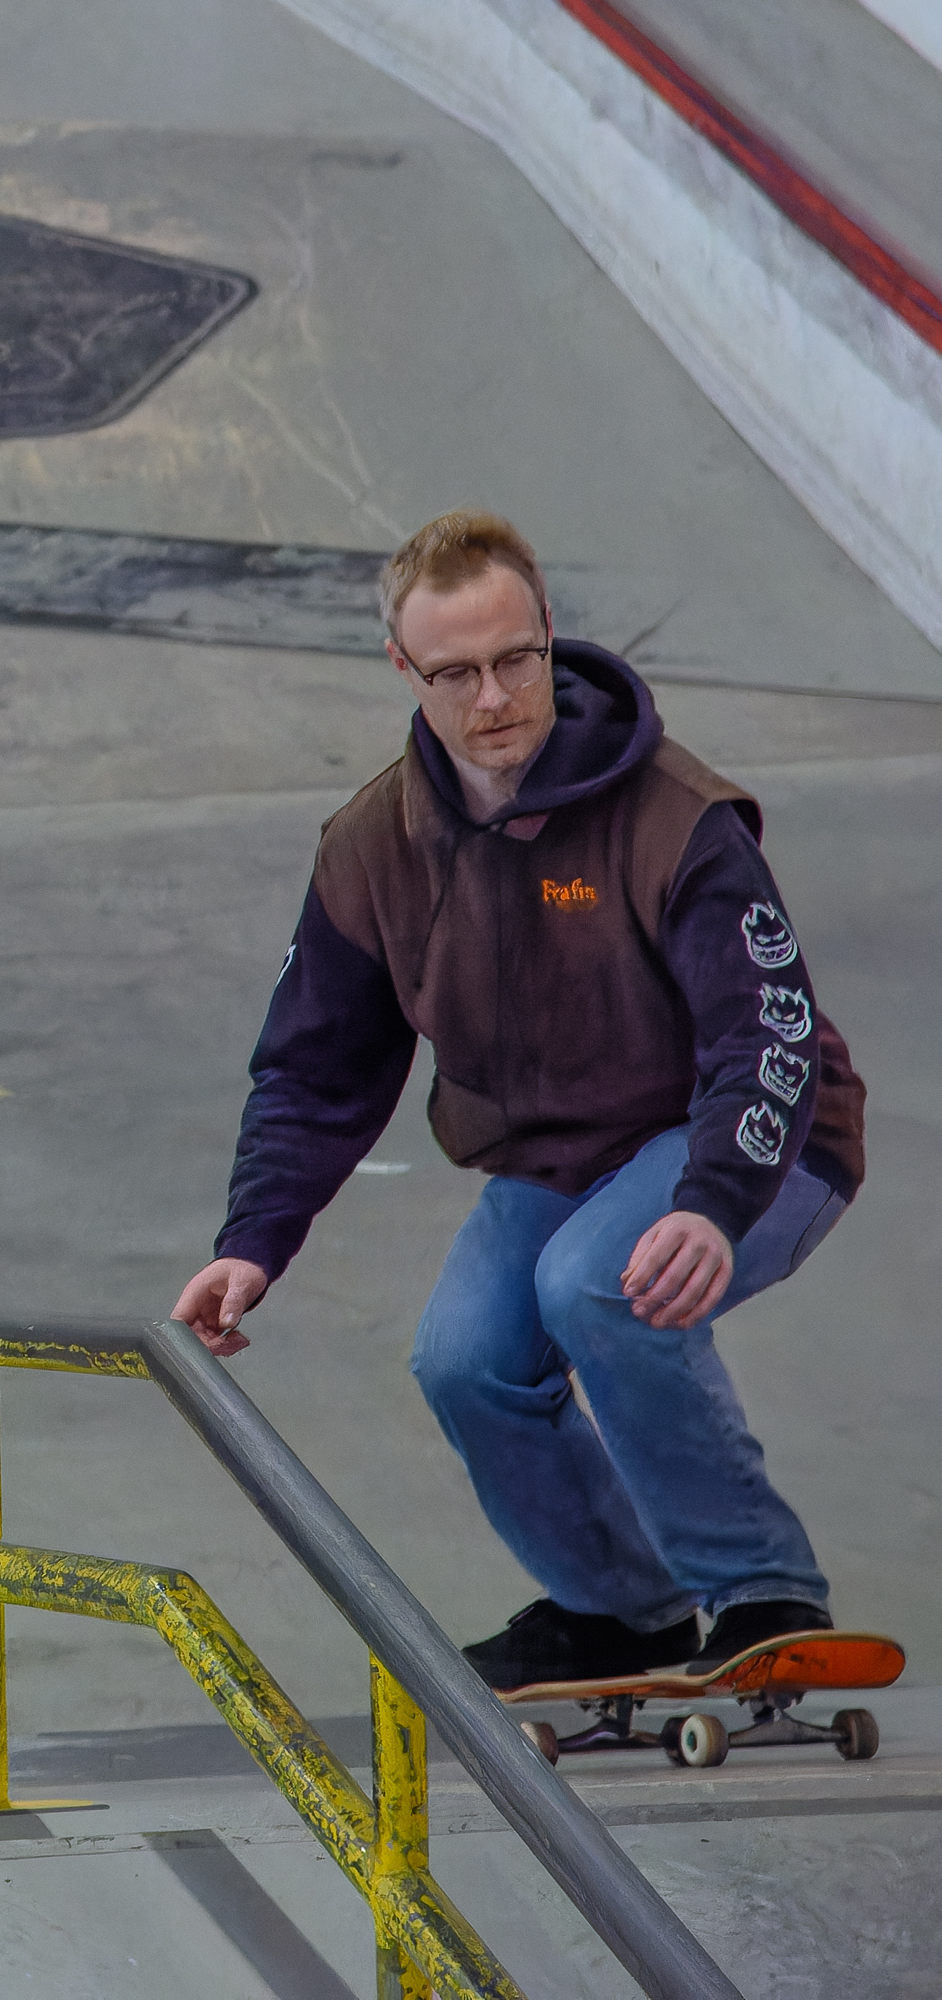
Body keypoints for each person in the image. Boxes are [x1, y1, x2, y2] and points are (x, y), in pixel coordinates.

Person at [170, 510, 866, 1689]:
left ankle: (763, 1594)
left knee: (600, 1280)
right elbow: (314, 1066)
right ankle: (623, 1608)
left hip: (758, 1140)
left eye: (516, 658)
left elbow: (768, 1033)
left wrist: (711, 1200)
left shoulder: (673, 817)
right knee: (464, 1357)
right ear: (404, 668)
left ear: (549, 631)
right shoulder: (374, 845)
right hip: (562, 1158)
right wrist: (253, 1239)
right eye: (456, 672)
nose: (494, 696)